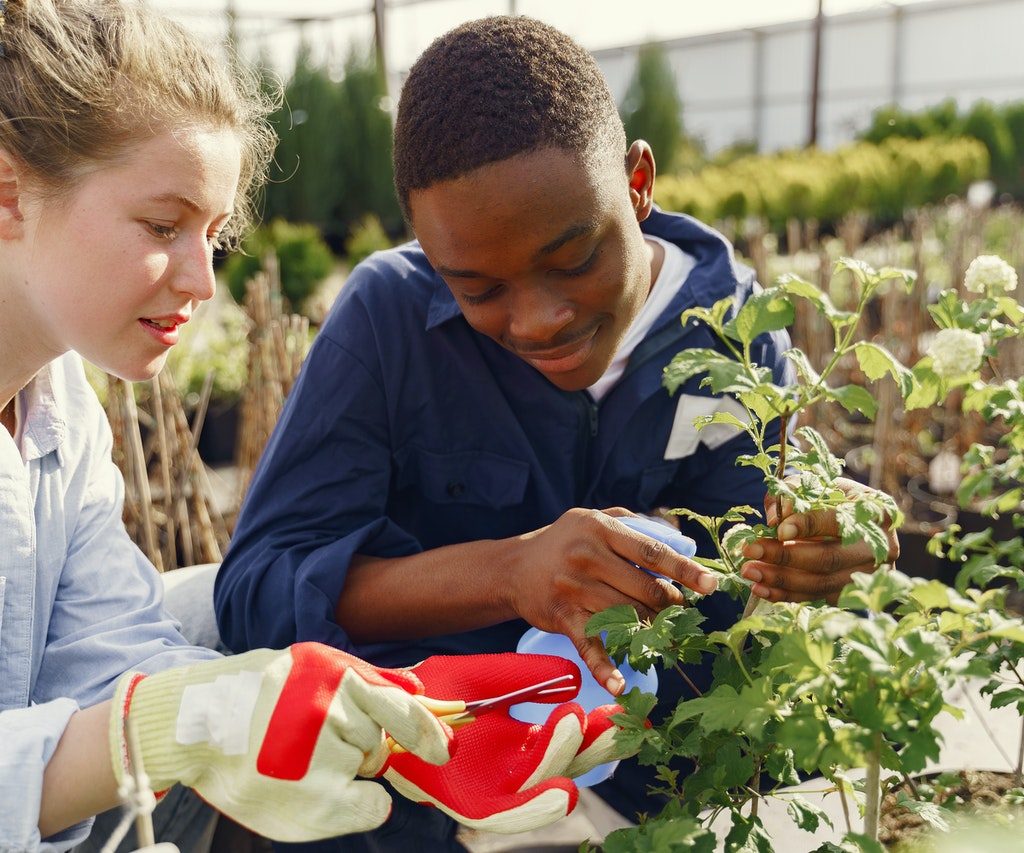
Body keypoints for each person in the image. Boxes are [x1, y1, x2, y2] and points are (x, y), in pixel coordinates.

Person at [214, 15, 899, 852]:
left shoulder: (729, 331)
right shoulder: (386, 321)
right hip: (425, 801)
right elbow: (257, 588)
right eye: (476, 288)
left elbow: (747, 582)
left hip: (656, 795)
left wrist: (812, 552)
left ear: (637, 182)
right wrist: (509, 572)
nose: (538, 320)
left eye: (574, 259)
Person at [0, 4, 614, 851]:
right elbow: (144, 715)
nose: (202, 281)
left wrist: (383, 727)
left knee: (207, 631)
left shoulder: (57, 404)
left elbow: (115, 648)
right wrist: (166, 723)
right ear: (10, 194)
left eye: (214, 235)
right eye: (162, 225)